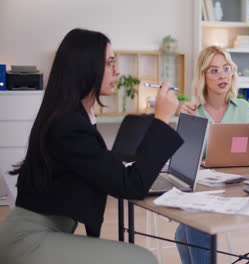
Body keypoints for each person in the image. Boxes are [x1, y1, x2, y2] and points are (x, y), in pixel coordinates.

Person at [0, 28, 183, 264]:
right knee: (142, 259)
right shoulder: (68, 125)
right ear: (85, 67)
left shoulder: (73, 115)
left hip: (40, 233)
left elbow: (103, 169)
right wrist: (161, 119)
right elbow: (131, 186)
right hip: (27, 240)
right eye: (109, 63)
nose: (117, 70)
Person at [175, 46, 249, 264]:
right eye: (213, 70)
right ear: (202, 76)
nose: (222, 75)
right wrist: (184, 124)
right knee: (188, 229)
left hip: (236, 188)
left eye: (226, 68)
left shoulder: (244, 108)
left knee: (190, 228)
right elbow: (183, 159)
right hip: (203, 190)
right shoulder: (193, 112)